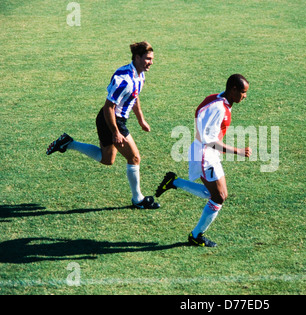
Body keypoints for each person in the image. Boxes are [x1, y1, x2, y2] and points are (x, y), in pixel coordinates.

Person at [46, 41, 160, 209]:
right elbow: (109, 107)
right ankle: (138, 200)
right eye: (148, 59)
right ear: (137, 57)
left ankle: (69, 143)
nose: (151, 62)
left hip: (112, 120)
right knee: (134, 157)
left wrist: (141, 119)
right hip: (111, 120)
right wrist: (115, 131)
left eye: (152, 59)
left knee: (107, 159)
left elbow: (135, 97)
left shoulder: (140, 74)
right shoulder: (124, 79)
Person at [155, 74, 251, 247]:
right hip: (205, 155)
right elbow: (209, 141)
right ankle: (196, 235)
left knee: (215, 195)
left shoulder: (218, 99)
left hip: (208, 153)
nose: (245, 96)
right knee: (219, 197)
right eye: (243, 92)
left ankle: (174, 182)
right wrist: (238, 151)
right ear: (234, 89)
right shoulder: (219, 108)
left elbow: (199, 111)